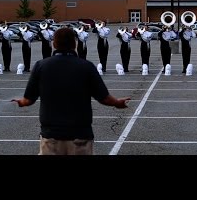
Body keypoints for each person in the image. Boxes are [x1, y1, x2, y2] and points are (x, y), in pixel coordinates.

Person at [11, 27, 130, 155]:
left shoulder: (41, 66)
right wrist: (117, 103)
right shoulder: (86, 66)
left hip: (51, 136)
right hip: (80, 136)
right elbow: (104, 97)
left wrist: (21, 102)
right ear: (75, 44)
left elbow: (29, 99)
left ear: (54, 44)